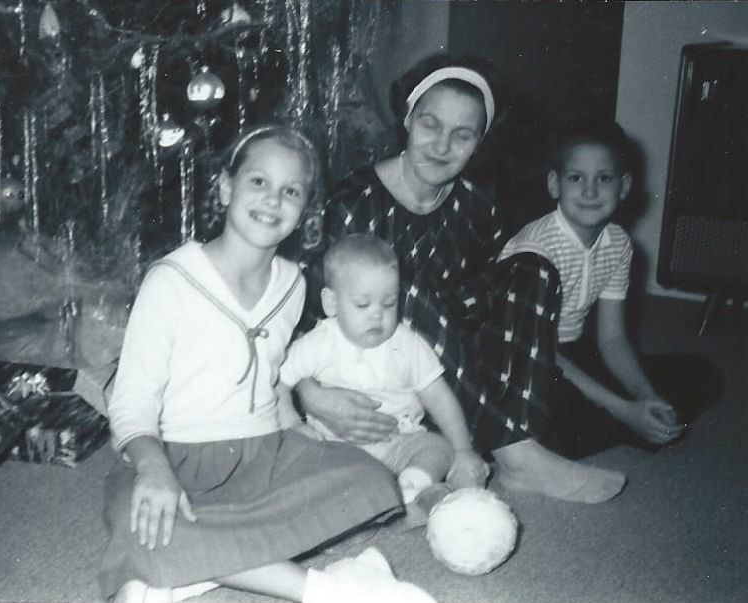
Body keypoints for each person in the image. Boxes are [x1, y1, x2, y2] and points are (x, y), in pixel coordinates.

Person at [101, 125, 421, 603]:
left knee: (371, 482)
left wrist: (292, 422)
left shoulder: (293, 283)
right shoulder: (170, 280)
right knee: (140, 513)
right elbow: (130, 400)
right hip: (179, 455)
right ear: (227, 188)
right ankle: (329, 589)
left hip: (262, 450)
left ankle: (188, 571)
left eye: (290, 191)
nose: (273, 200)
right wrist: (153, 469)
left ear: (303, 211)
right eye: (258, 182)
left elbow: (272, 373)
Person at [298, 54, 626, 505]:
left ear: (479, 142)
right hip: (383, 386)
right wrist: (309, 394)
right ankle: (515, 452)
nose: (442, 145)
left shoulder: (478, 203)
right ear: (409, 119)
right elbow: (308, 316)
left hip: (457, 379)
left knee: (533, 266)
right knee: (401, 287)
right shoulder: (353, 204)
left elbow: (491, 306)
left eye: (463, 134)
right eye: (430, 124)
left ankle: (513, 437)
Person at [498, 117, 721, 461]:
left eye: (604, 178)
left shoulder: (618, 243)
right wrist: (623, 409)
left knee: (702, 375)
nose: (590, 191)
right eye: (576, 178)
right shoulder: (534, 251)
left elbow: (612, 339)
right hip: (520, 358)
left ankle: (617, 425)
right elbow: (539, 350)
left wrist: (644, 395)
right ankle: (607, 427)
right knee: (554, 408)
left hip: (571, 352)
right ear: (555, 184)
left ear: (625, 186)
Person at [281, 234, 489, 509]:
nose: (377, 315)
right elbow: (278, 380)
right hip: (336, 445)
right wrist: (292, 422)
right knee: (298, 458)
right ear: (331, 303)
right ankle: (361, 499)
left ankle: (413, 486)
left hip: (399, 442)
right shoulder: (319, 343)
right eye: (363, 305)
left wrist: (463, 450)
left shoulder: (408, 345)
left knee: (437, 448)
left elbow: (439, 398)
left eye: (389, 303)